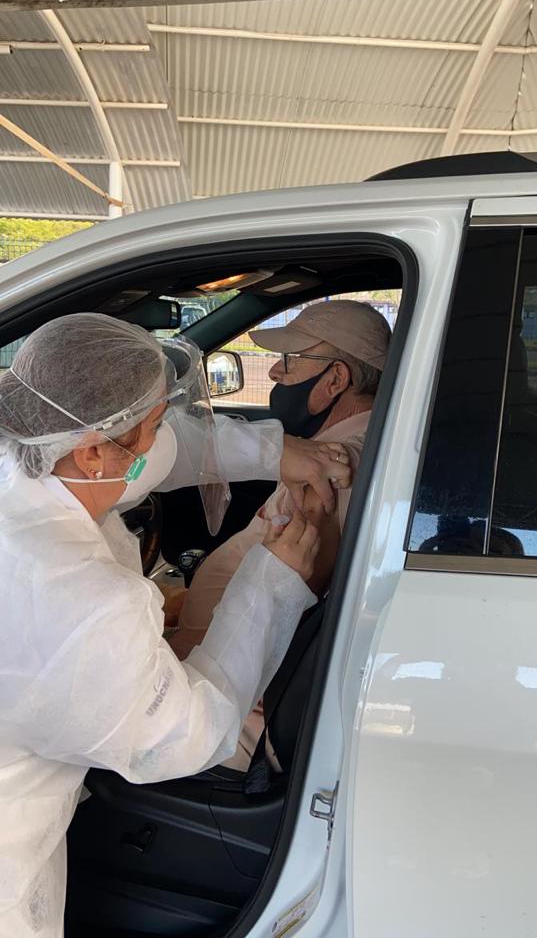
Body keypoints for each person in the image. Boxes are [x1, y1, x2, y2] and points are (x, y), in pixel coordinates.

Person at [0, 312, 351, 938]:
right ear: (93, 450)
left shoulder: (32, 457)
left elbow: (161, 450)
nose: (167, 436)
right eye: (156, 422)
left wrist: (279, 452)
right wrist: (270, 585)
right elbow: (181, 737)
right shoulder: (75, 597)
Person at [170, 300, 391, 767]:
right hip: (223, 667)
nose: (273, 372)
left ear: (335, 379)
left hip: (231, 698)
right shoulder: (343, 446)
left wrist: (176, 649)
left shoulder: (334, 468)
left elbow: (290, 610)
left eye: (290, 361)